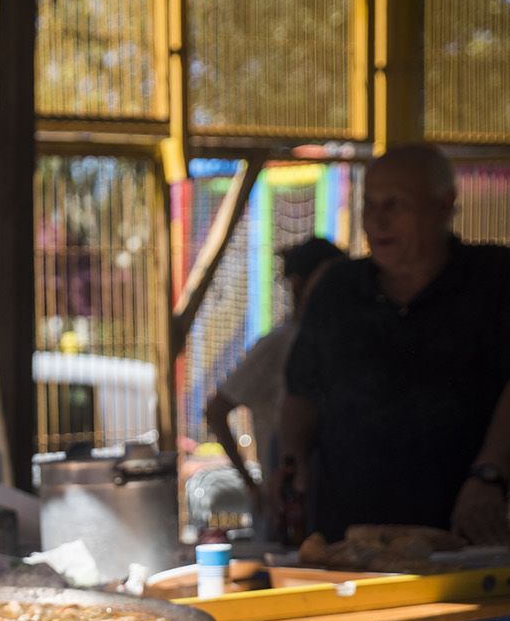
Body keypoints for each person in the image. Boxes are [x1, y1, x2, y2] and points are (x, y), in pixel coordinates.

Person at [279, 143, 510, 545]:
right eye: (369, 205)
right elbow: (302, 393)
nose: (377, 220)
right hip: (349, 537)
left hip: (466, 535)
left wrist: (491, 472)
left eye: (395, 204)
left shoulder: (495, 280)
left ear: (444, 205)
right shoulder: (336, 290)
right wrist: (290, 460)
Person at [204, 236, 345, 518]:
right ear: (301, 286)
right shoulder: (281, 344)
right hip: (291, 505)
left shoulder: (344, 340)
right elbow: (216, 410)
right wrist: (253, 485)